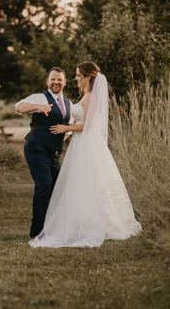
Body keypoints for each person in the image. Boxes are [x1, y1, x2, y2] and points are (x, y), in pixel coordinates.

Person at [29, 62, 141, 248]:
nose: (76, 78)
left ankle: (95, 223)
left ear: (89, 77)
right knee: (81, 183)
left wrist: (67, 128)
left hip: (88, 144)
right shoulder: (87, 96)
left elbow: (88, 125)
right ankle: (83, 220)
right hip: (81, 144)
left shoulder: (91, 98)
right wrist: (65, 134)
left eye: (78, 75)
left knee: (89, 182)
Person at [15, 67, 73, 238]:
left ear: (65, 82)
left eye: (59, 79)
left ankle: (53, 225)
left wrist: (58, 141)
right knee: (45, 184)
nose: (56, 82)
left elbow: (68, 128)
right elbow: (19, 107)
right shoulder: (40, 98)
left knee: (59, 187)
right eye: (53, 79)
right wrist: (38, 107)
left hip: (53, 154)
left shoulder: (68, 103)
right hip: (35, 148)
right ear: (48, 81)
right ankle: (37, 230)